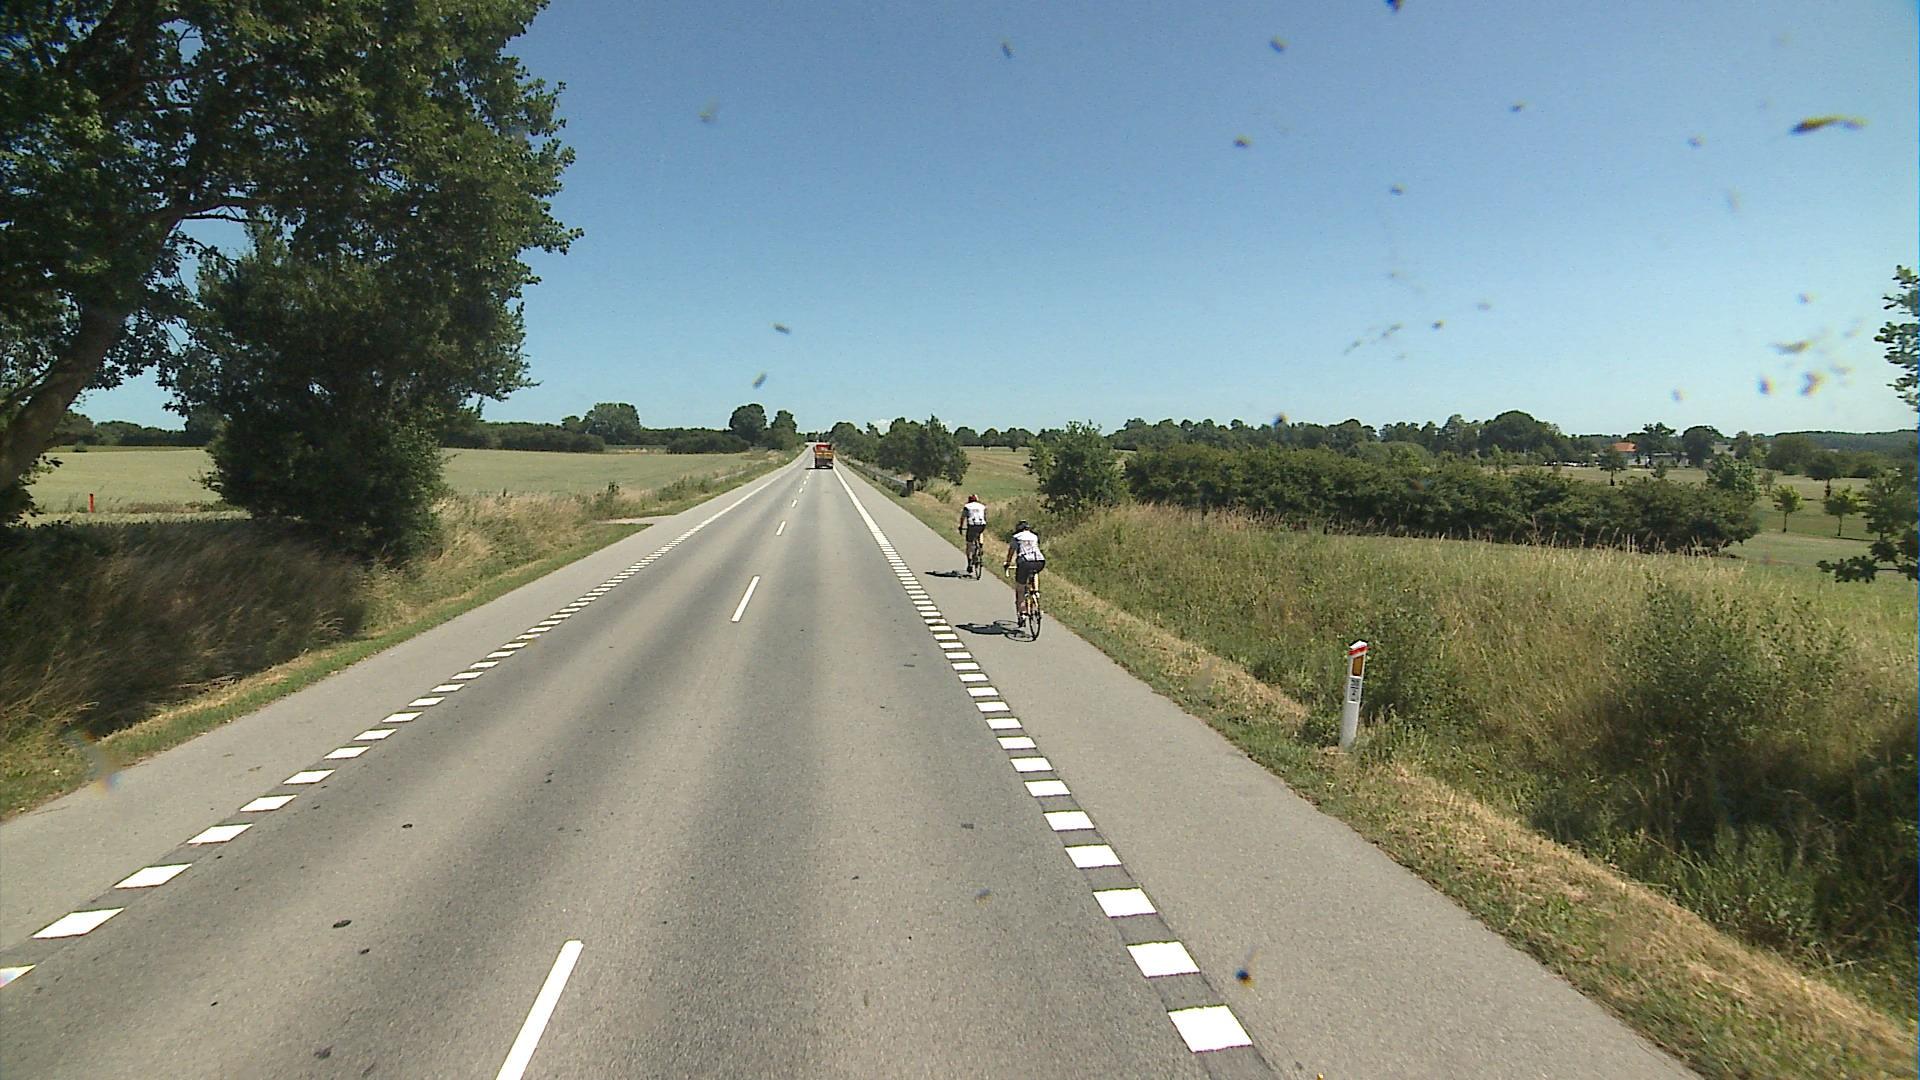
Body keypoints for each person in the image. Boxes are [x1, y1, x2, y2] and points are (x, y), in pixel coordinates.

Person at [1003, 519, 1044, 617]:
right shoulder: (1034, 536)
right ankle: (1036, 592)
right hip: (1039, 561)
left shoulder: (1016, 537)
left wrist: (1008, 563)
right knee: (1035, 572)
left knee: (1020, 589)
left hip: (1024, 562)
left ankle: (1023, 613)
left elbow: (1011, 552)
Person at [958, 493, 988, 562]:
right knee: (980, 533)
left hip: (972, 525)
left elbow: (962, 518)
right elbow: (984, 517)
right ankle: (981, 545)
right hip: (982, 524)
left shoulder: (967, 506)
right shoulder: (982, 506)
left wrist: (961, 527)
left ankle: (969, 561)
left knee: (969, 543)